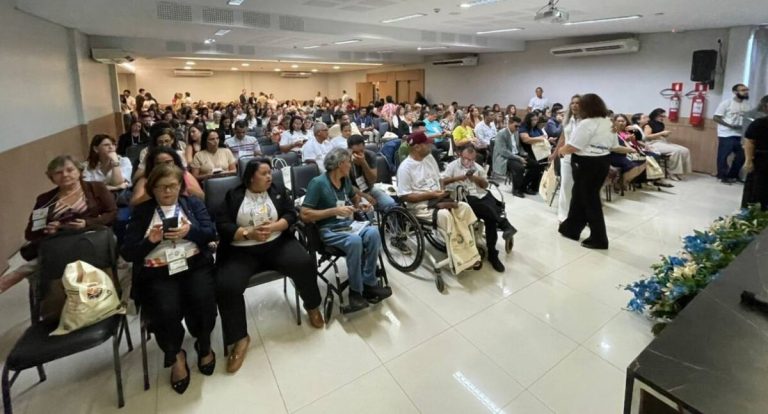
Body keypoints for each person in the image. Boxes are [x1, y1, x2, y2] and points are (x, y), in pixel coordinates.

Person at [215, 159, 324, 373]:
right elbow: (222, 225)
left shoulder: (277, 190)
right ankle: (239, 338)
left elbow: (291, 213)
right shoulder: (234, 195)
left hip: (276, 244)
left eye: (270, 172)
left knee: (303, 262)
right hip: (241, 249)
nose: (269, 177)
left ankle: (312, 306)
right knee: (227, 285)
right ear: (250, 177)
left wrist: (276, 226)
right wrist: (248, 233)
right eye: (264, 173)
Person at [121, 164, 217, 394]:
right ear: (152, 189)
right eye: (162, 187)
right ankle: (175, 355)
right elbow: (127, 252)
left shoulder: (192, 204)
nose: (167, 192)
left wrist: (190, 231)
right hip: (158, 272)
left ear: (180, 187)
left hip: (193, 264)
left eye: (173, 186)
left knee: (203, 299)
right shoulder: (143, 212)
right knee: (165, 309)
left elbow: (210, 233)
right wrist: (150, 241)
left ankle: (204, 345)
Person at [1, 156, 117, 294]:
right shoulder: (45, 200)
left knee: (122, 265)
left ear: (79, 171)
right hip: (59, 244)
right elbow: (31, 233)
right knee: (33, 265)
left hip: (92, 238)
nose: (65, 175)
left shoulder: (95, 188)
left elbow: (112, 213)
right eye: (58, 172)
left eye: (70, 170)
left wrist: (88, 223)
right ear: (51, 177)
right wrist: (47, 228)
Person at [300, 148, 392, 312]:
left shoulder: (345, 180)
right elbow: (305, 214)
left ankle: (369, 283)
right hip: (328, 229)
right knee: (355, 241)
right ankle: (355, 292)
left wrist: (360, 204)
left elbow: (354, 198)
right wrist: (334, 211)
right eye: (349, 162)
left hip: (347, 226)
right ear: (340, 164)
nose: (351, 165)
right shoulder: (318, 183)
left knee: (373, 233)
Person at [397, 132, 480, 273]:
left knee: (464, 207)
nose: (431, 145)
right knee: (446, 216)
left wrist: (441, 190)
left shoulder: (429, 158)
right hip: (420, 205)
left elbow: (439, 179)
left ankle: (469, 248)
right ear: (417, 147)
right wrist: (431, 194)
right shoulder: (405, 168)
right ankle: (460, 257)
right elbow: (405, 196)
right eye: (427, 144)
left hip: (438, 198)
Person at [443, 145, 516, 272]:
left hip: (481, 194)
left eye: (471, 160)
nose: (468, 162)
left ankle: (493, 253)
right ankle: (504, 226)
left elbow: (485, 185)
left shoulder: (477, 168)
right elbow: (443, 182)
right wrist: (459, 178)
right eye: (466, 159)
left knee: (490, 217)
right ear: (460, 155)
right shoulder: (452, 166)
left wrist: (475, 178)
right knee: (489, 212)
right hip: (465, 197)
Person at [557, 94, 615, 250]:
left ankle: (599, 238)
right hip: (602, 161)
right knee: (578, 195)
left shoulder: (587, 123)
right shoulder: (608, 122)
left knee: (590, 200)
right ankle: (571, 229)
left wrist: (561, 150)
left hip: (586, 163)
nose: (578, 108)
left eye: (581, 105)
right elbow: (614, 144)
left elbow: (574, 146)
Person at [131, 147, 205, 206]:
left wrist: (183, 188)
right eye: (159, 164)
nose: (164, 166)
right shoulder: (145, 180)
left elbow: (202, 197)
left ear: (175, 162)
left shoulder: (185, 175)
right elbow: (134, 204)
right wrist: (152, 190)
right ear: (153, 165)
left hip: (184, 210)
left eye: (168, 162)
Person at [347, 134, 396, 211]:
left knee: (390, 203)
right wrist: (365, 196)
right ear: (349, 150)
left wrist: (363, 163)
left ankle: (392, 222)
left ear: (364, 147)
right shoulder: (345, 159)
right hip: (353, 192)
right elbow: (348, 185)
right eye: (355, 152)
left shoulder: (370, 155)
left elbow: (372, 180)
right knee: (366, 210)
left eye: (361, 151)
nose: (359, 154)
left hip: (369, 188)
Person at [714, 84, 750, 183]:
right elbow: (716, 117)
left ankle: (733, 175)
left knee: (742, 156)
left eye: (746, 90)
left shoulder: (747, 105)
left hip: (740, 134)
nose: (746, 92)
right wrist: (729, 125)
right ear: (735, 92)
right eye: (743, 90)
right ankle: (722, 176)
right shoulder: (726, 103)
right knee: (723, 155)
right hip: (726, 133)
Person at [643, 108, 692, 180]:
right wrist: (662, 133)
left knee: (685, 150)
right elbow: (647, 136)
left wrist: (665, 134)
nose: (663, 118)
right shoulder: (648, 124)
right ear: (655, 115)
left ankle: (680, 172)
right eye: (661, 116)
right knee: (676, 151)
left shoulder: (661, 124)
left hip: (662, 142)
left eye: (664, 116)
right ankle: (672, 173)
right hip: (652, 143)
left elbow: (660, 135)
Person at [742, 95, 768, 210]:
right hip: (761, 159)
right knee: (757, 189)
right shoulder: (760, 123)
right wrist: (748, 161)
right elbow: (750, 142)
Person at [493, 116, 529, 198]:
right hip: (504, 157)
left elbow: (519, 146)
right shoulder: (501, 134)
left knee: (535, 164)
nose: (517, 128)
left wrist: (524, 153)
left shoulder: (516, 132)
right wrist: (518, 158)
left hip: (516, 155)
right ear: (509, 124)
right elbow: (503, 151)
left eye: (519, 126)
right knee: (519, 167)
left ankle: (524, 186)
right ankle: (516, 189)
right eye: (516, 126)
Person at [610, 114, 647, 190]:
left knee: (644, 161)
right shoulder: (611, 133)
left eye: (623, 121)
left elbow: (635, 140)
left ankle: (624, 181)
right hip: (614, 155)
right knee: (633, 165)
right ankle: (621, 182)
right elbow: (614, 147)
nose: (621, 123)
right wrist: (630, 149)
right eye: (619, 121)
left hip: (624, 153)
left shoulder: (625, 131)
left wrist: (632, 148)